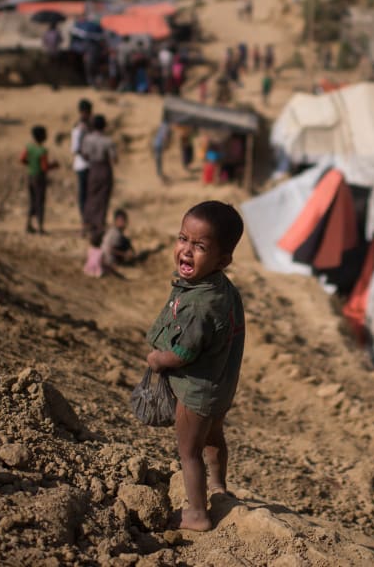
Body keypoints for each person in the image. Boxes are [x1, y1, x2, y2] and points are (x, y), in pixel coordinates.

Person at [145, 201, 246, 531]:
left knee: (189, 452)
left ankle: (197, 514)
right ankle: (218, 486)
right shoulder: (222, 289)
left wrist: (158, 360)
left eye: (199, 246)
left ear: (222, 259)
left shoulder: (200, 307)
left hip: (197, 392)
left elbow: (182, 355)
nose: (186, 251)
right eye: (183, 239)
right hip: (221, 386)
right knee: (214, 437)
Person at [80, 114, 118, 240]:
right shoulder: (108, 141)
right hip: (104, 169)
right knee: (103, 198)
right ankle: (98, 226)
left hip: (93, 169)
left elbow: (84, 155)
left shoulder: (87, 139)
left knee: (91, 196)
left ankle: (87, 223)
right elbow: (114, 159)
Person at [20, 125, 58, 234]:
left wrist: (31, 165)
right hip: (39, 178)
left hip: (30, 176)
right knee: (40, 202)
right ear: (42, 136)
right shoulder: (42, 151)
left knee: (32, 201)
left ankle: (28, 224)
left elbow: (22, 159)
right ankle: (40, 227)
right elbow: (44, 167)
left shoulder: (29, 147)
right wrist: (54, 165)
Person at [71, 99, 93, 229]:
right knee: (83, 194)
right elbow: (75, 148)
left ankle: (88, 220)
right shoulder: (78, 128)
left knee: (89, 194)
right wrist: (87, 155)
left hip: (89, 165)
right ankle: (84, 221)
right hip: (82, 165)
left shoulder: (88, 126)